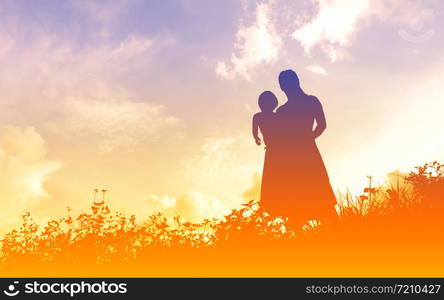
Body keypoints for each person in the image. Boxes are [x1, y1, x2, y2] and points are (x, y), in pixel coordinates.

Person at [259, 70, 337, 227]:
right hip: (292, 158)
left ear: (296, 81)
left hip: (307, 154)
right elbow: (278, 136)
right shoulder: (282, 110)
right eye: (283, 84)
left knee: (320, 193)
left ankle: (339, 230)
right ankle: (301, 239)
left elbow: (322, 125)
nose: (285, 87)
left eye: (287, 83)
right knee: (295, 198)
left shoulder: (311, 101)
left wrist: (308, 138)